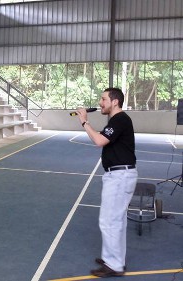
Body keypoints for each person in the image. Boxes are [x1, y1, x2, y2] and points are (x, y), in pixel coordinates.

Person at [75, 87, 137, 278]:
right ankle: (113, 258)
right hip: (118, 176)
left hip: (120, 177)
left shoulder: (120, 120)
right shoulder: (117, 121)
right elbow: (103, 139)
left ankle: (114, 265)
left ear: (115, 101)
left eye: (103, 99)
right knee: (115, 221)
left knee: (109, 221)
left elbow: (100, 140)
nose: (100, 103)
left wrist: (84, 121)